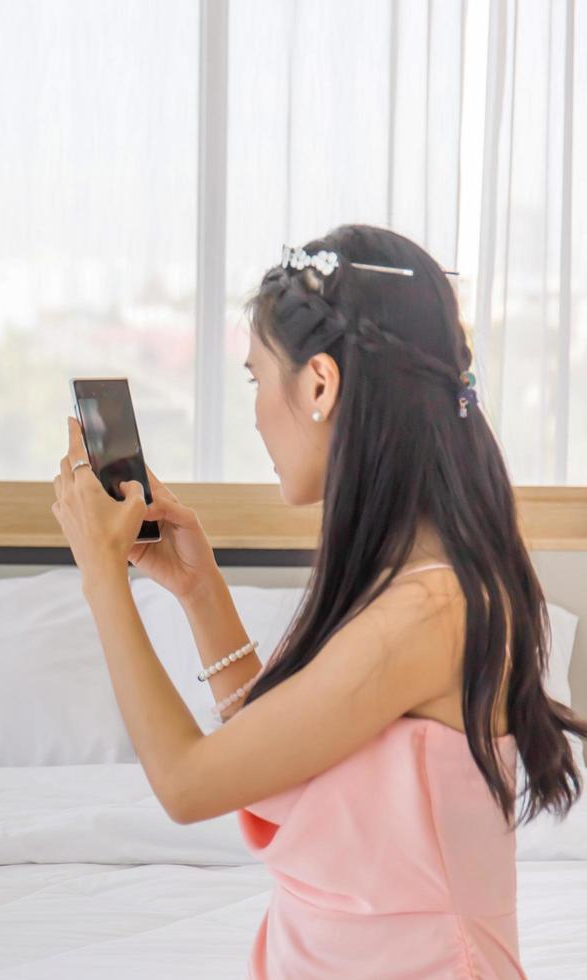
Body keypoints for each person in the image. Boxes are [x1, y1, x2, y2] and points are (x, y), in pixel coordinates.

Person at [51, 225, 587, 978]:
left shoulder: (429, 611)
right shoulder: (416, 584)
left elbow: (187, 783)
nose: (257, 412)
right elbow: (277, 756)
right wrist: (200, 594)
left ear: (320, 386)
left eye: (255, 379)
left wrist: (100, 578)